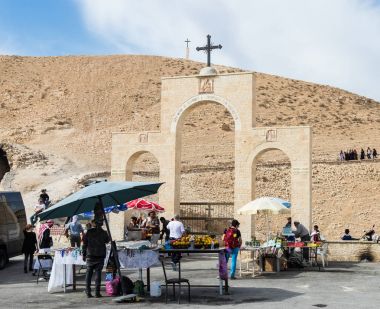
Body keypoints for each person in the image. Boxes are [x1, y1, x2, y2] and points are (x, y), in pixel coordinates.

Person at [82, 218, 110, 298]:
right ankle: (97, 292)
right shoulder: (103, 232)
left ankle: (88, 292)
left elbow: (84, 244)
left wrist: (84, 254)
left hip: (90, 255)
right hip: (100, 254)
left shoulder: (89, 232)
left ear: (94, 224)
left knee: (89, 273)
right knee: (98, 274)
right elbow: (107, 240)